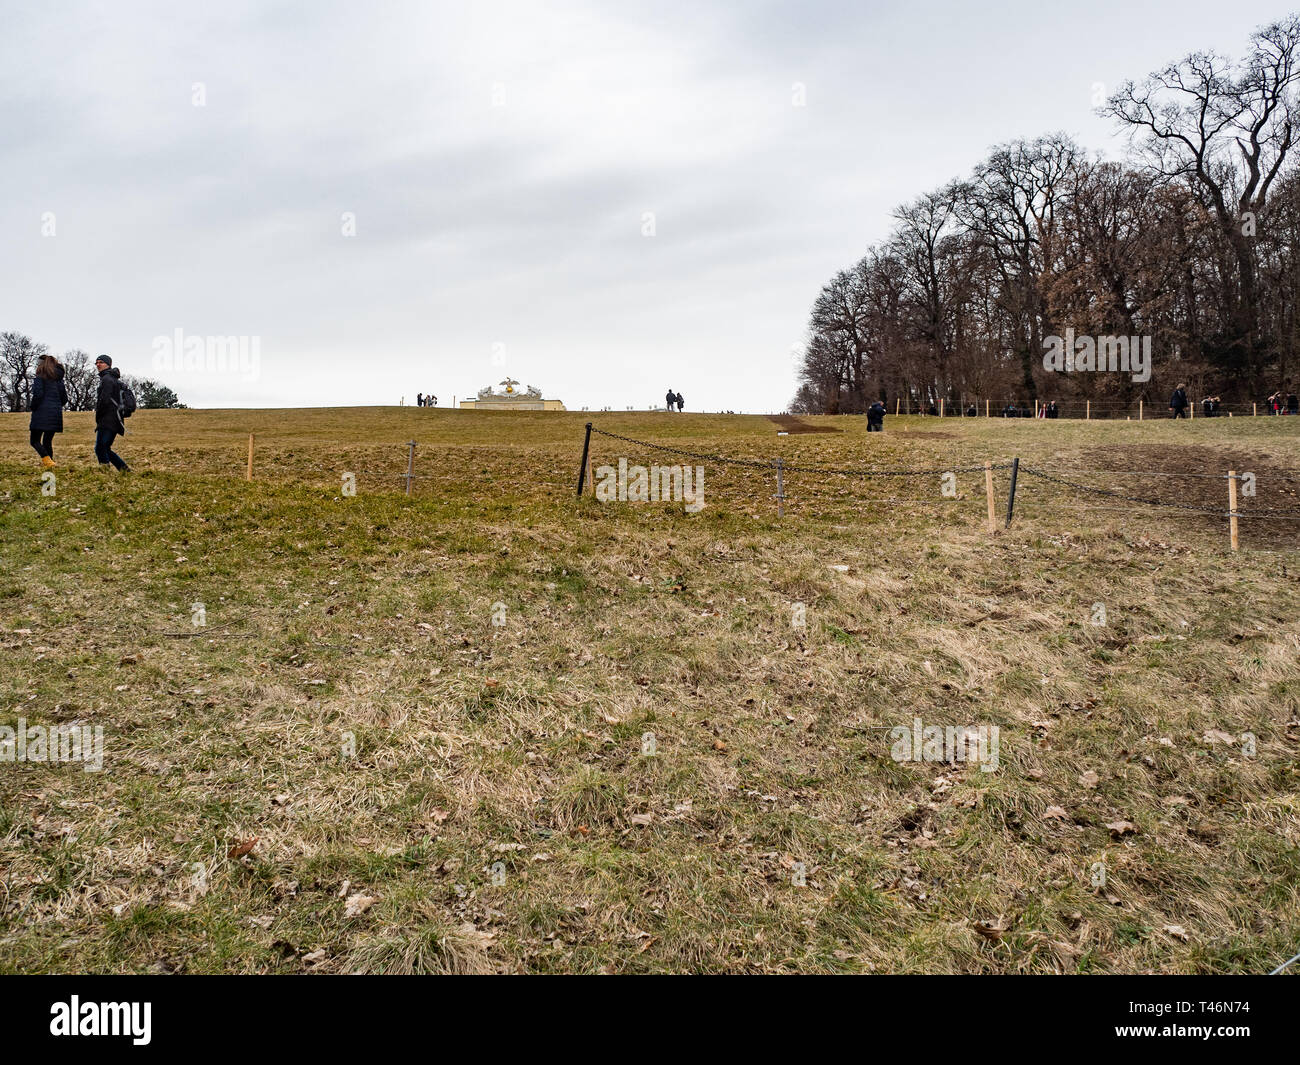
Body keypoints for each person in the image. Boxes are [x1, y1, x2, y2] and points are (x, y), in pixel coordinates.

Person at [30, 353, 67, 468]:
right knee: (47, 441)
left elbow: (38, 394)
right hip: (55, 414)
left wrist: (33, 407)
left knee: (34, 441)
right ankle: (49, 464)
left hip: (41, 412)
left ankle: (48, 462)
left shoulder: (40, 377)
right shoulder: (59, 380)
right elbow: (64, 399)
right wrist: (55, 407)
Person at [93, 355, 130, 471]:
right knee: (105, 447)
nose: (98, 365)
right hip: (115, 418)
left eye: (101, 362)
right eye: (96, 363)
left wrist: (98, 415)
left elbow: (104, 400)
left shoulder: (107, 379)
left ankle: (105, 471)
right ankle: (124, 470)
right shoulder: (113, 379)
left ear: (108, 364)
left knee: (100, 447)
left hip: (108, 418)